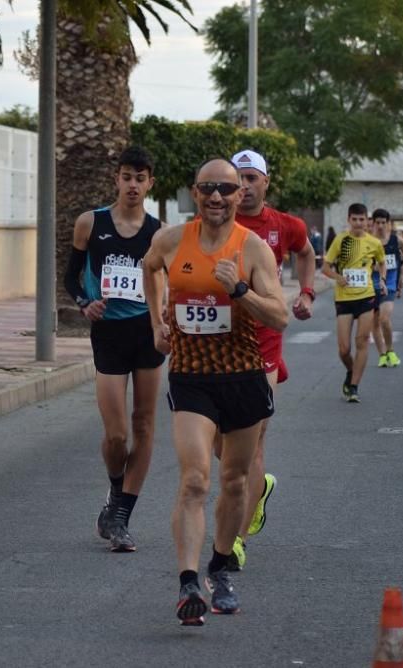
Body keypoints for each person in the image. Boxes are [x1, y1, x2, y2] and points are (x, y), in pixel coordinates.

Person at [143, 157, 288, 625]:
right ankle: (188, 583)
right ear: (195, 192)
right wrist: (156, 322)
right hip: (192, 376)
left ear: (239, 195)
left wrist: (240, 290)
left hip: (244, 376)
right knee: (195, 479)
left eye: (228, 189)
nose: (219, 196)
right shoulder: (170, 241)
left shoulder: (251, 250)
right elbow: (149, 268)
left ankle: (221, 565)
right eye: (209, 188)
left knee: (234, 481)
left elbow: (279, 315)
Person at [63, 146, 165, 553]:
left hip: (146, 331)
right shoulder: (91, 223)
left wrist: (164, 320)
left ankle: (121, 514)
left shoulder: (159, 232)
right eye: (127, 177)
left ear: (150, 183)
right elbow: (71, 276)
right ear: (116, 179)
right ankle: (114, 489)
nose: (133, 185)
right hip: (108, 332)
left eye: (141, 178)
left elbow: (166, 280)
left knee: (143, 424)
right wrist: (85, 302)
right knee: (116, 434)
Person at [222, 149, 315, 571]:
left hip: (264, 343)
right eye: (238, 178)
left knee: (255, 442)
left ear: (265, 182)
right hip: (219, 343)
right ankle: (257, 491)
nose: (243, 186)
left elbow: (307, 253)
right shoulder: (218, 222)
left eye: (251, 178)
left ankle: (237, 540)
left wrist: (307, 293)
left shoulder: (283, 225)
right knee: (222, 446)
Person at [322, 203, 386, 403]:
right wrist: (337, 277)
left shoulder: (374, 243)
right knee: (343, 349)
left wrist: (382, 279)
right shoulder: (341, 240)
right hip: (344, 299)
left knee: (362, 341)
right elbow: (325, 267)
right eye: (355, 219)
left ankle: (354, 386)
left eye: (362, 219)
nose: (358, 223)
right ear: (349, 220)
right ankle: (351, 370)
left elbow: (382, 262)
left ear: (366, 221)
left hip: (366, 296)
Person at [370, 209, 403, 368]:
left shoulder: (397, 241)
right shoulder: (369, 241)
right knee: (374, 322)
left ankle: (391, 351)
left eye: (383, 222)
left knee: (384, 319)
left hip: (390, 283)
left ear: (388, 223)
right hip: (371, 285)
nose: (380, 226)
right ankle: (382, 355)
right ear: (373, 223)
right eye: (377, 222)